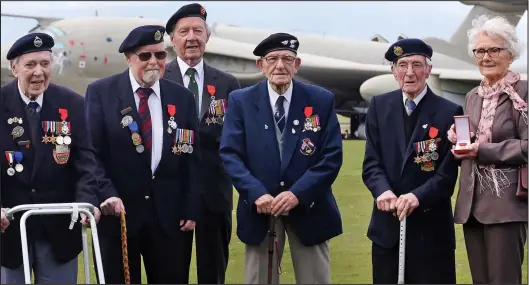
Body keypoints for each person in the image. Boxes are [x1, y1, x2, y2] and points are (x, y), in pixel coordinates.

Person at [219, 32, 343, 284]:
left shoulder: (321, 100)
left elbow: (331, 157)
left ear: (297, 65)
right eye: (272, 58)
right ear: (261, 65)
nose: (280, 65)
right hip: (260, 211)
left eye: (287, 58)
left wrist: (298, 193)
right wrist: (256, 193)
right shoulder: (241, 101)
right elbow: (230, 154)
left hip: (310, 209)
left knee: (315, 280)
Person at [84, 25, 201, 284]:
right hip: (118, 216)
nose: (154, 62)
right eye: (145, 56)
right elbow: (91, 154)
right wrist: (107, 193)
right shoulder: (101, 93)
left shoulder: (182, 97)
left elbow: (191, 157)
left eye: (160, 55)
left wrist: (191, 207)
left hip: (169, 219)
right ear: (128, 58)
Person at [0, 32, 101, 284]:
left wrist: (87, 201)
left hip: (60, 229)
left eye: (45, 64)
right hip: (8, 231)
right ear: (14, 68)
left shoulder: (72, 103)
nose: (39, 72)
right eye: (30, 65)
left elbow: (85, 160)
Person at [361, 38, 463, 284]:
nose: (409, 72)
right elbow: (371, 163)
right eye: (402, 65)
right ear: (393, 71)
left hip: (431, 231)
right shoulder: (379, 106)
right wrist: (382, 191)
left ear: (428, 70)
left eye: (417, 64)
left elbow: (447, 174)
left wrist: (417, 196)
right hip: (388, 228)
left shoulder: (451, 111)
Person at [163, 3, 241, 283]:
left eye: (198, 30)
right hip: (172, 192)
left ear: (208, 37)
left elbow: (235, 137)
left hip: (214, 192)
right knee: (172, 270)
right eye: (183, 32)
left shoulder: (228, 84)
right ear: (172, 40)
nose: (191, 37)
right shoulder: (160, 80)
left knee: (213, 271)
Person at [448, 15, 527, 284]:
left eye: (494, 49)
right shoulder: (472, 95)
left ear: (511, 53)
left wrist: (482, 150)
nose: (486, 56)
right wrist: (459, 141)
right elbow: (471, 142)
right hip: (472, 204)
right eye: (480, 51)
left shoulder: (524, 92)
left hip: (506, 205)